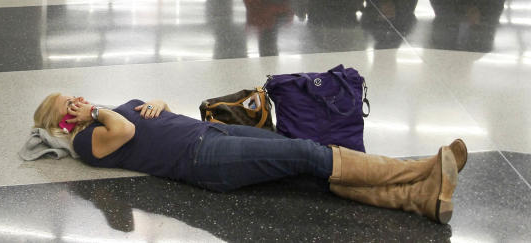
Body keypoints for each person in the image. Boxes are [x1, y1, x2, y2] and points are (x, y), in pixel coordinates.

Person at [33, 94, 467, 224]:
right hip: (203, 158)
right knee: (306, 153)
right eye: (69, 103)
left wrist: (158, 103)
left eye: (78, 96)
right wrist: (94, 114)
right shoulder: (87, 143)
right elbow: (126, 131)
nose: (81, 100)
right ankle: (424, 169)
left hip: (210, 132)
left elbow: (148, 113)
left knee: (305, 169)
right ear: (61, 122)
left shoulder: (110, 111)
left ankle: (422, 199)